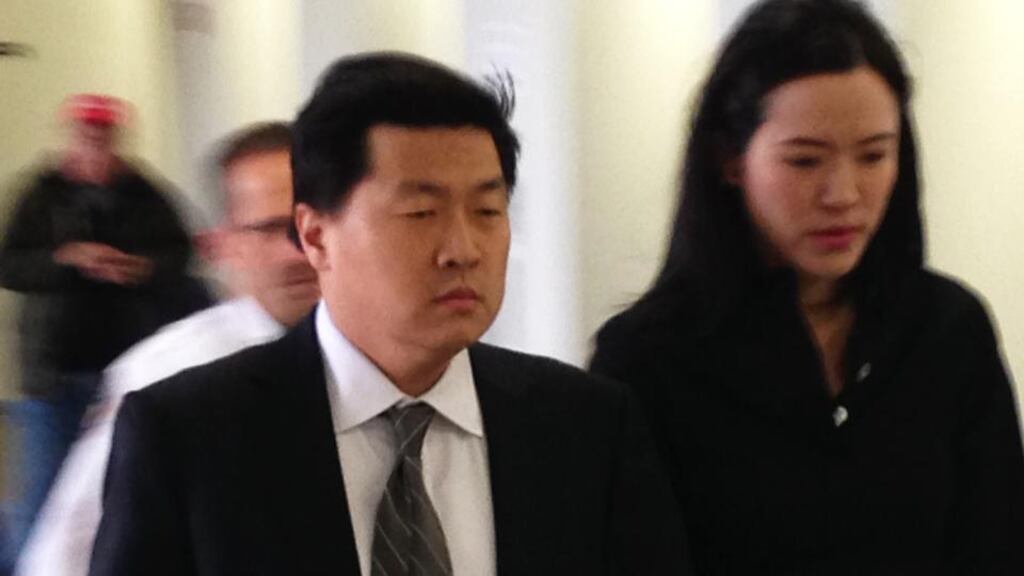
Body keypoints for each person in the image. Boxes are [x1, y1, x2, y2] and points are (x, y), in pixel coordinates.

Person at [87, 53, 689, 576]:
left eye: (487, 211)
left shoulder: (586, 428)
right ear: (316, 236)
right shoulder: (187, 437)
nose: (463, 249)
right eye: (421, 214)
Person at [591, 0, 1024, 574]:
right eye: (804, 161)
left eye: (874, 155)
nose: (843, 193)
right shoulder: (646, 359)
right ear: (730, 160)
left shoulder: (948, 328)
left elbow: (999, 545)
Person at [12, 122, 319, 576]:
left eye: (316, 222)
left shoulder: (397, 353)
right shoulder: (170, 374)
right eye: (273, 229)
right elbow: (66, 552)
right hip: (60, 370)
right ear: (224, 244)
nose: (302, 250)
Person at [0, 94, 210, 570]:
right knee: (42, 494)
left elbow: (180, 257)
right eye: (86, 134)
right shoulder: (41, 193)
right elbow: (10, 266)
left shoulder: (146, 193)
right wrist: (66, 259)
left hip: (124, 369)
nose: (95, 145)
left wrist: (140, 269)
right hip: (51, 374)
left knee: (120, 490)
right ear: (72, 135)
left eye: (104, 136)